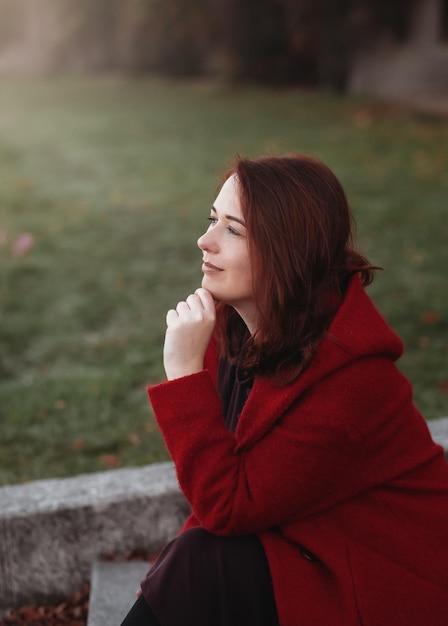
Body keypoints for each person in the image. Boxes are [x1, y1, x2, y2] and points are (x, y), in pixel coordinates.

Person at [121, 154, 448, 626]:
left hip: (384, 579)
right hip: (311, 542)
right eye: (213, 219)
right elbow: (226, 481)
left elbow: (228, 507)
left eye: (233, 230)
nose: (204, 240)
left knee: (201, 561)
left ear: (286, 250)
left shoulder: (353, 383)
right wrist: (164, 573)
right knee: (190, 561)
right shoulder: (236, 335)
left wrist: (184, 374)